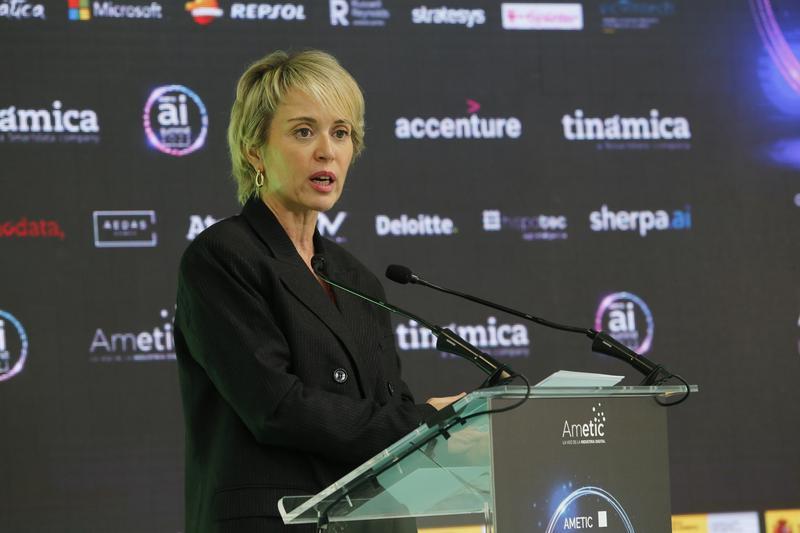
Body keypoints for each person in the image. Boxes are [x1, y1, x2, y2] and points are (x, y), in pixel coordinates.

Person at [174, 49, 464, 533]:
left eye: (341, 132)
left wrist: (450, 429)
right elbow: (276, 407)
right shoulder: (222, 257)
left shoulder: (358, 279)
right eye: (304, 131)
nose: (327, 151)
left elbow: (388, 408)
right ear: (254, 149)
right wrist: (422, 421)